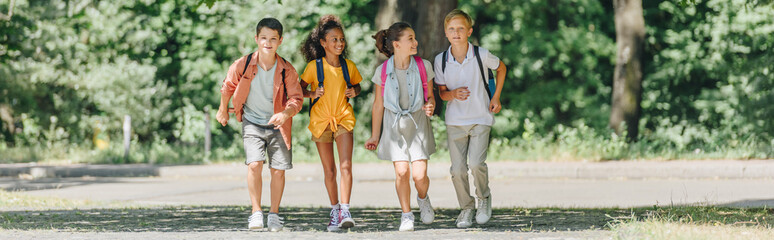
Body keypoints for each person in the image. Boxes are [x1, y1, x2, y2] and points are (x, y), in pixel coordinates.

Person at [216, 18, 303, 232]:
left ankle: (274, 214)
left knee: (278, 170)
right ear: (256, 39)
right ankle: (256, 212)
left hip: (278, 125)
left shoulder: (287, 70)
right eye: (264, 38)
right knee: (254, 164)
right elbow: (227, 87)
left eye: (273, 38)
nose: (268, 42)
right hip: (252, 122)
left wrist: (285, 114)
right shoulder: (242, 64)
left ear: (280, 41)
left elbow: (296, 99)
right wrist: (222, 110)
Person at [433, 9, 507, 228]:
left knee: (476, 164)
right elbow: (442, 94)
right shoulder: (442, 60)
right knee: (457, 170)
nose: (456, 33)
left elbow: (502, 69)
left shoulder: (481, 55)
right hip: (455, 121)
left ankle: (483, 199)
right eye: (451, 29)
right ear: (446, 33)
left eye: (461, 29)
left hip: (481, 118)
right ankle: (466, 208)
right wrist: (453, 94)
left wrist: (496, 97)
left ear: (469, 31)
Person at [365, 22, 436, 232]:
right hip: (393, 125)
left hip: (418, 124)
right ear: (396, 44)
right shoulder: (383, 71)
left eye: (414, 38)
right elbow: (378, 105)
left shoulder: (424, 66)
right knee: (402, 172)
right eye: (410, 39)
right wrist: (374, 136)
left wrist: (430, 104)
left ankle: (423, 199)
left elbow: (430, 96)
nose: (416, 42)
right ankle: (406, 214)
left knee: (420, 176)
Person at [299, 15, 363, 232]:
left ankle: (345, 209)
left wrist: (355, 91)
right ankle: (334, 211)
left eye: (341, 39)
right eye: (334, 39)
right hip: (321, 122)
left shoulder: (349, 66)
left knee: (346, 165)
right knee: (330, 170)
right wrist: (311, 93)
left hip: (343, 117)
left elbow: (357, 86)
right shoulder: (313, 67)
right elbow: (299, 90)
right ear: (323, 43)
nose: (339, 43)